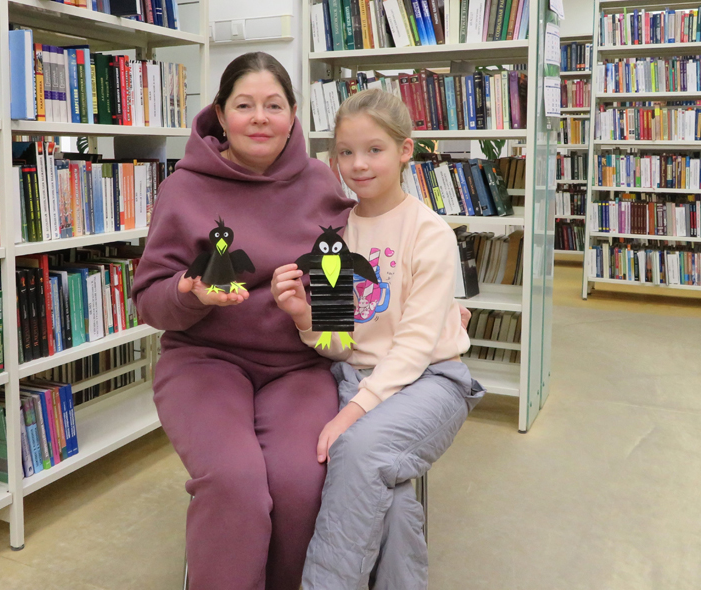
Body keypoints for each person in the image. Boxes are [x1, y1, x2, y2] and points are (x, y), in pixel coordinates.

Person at [131, 52, 353, 590]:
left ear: (293, 115)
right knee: (234, 482)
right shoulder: (183, 188)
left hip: (297, 366)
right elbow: (148, 301)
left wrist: (310, 311)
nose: (259, 118)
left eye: (273, 106)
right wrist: (189, 292)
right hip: (204, 361)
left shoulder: (321, 183)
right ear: (221, 114)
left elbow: (339, 302)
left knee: (300, 483)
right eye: (244, 105)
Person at [270, 89, 486, 589]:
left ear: (405, 150)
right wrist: (305, 317)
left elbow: (414, 347)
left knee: (359, 450)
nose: (358, 165)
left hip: (433, 381)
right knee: (389, 498)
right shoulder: (336, 238)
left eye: (374, 150)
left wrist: (350, 413)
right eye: (346, 152)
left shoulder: (430, 233)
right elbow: (339, 346)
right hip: (357, 379)